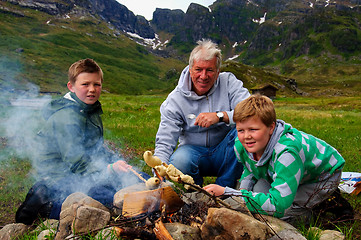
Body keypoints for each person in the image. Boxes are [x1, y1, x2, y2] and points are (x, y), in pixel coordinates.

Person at [16, 58, 146, 225]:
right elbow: (77, 164)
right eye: (85, 84)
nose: (92, 90)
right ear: (71, 86)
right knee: (110, 199)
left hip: (83, 171)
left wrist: (116, 162)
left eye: (97, 84)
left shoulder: (89, 110)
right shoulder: (67, 117)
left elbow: (96, 150)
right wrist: (110, 169)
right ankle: (44, 205)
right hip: (61, 178)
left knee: (139, 179)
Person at [204, 94, 352, 224]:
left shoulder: (287, 152)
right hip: (288, 172)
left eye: (253, 129)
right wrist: (241, 200)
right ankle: (297, 194)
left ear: (271, 127)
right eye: (240, 130)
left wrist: (229, 193)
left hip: (320, 177)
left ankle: (325, 203)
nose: (246, 136)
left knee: (279, 216)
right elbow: (249, 170)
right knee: (257, 199)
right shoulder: (242, 145)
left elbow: (278, 206)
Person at [153, 39, 250, 188]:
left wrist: (220, 116)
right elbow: (165, 140)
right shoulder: (175, 100)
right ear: (190, 69)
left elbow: (251, 112)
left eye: (209, 70)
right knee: (179, 161)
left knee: (244, 135)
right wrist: (158, 173)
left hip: (227, 152)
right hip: (193, 155)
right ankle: (197, 191)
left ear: (217, 72)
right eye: (198, 69)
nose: (203, 76)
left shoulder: (229, 82)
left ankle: (225, 189)